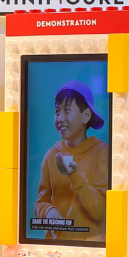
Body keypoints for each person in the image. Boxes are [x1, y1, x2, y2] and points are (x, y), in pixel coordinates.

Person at [33, 80, 108, 239]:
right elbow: (40, 203)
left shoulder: (102, 153)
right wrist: (49, 211)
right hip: (55, 248)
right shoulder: (51, 155)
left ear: (86, 115)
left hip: (91, 245)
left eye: (67, 110)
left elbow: (100, 211)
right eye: (57, 111)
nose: (60, 118)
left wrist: (75, 176)